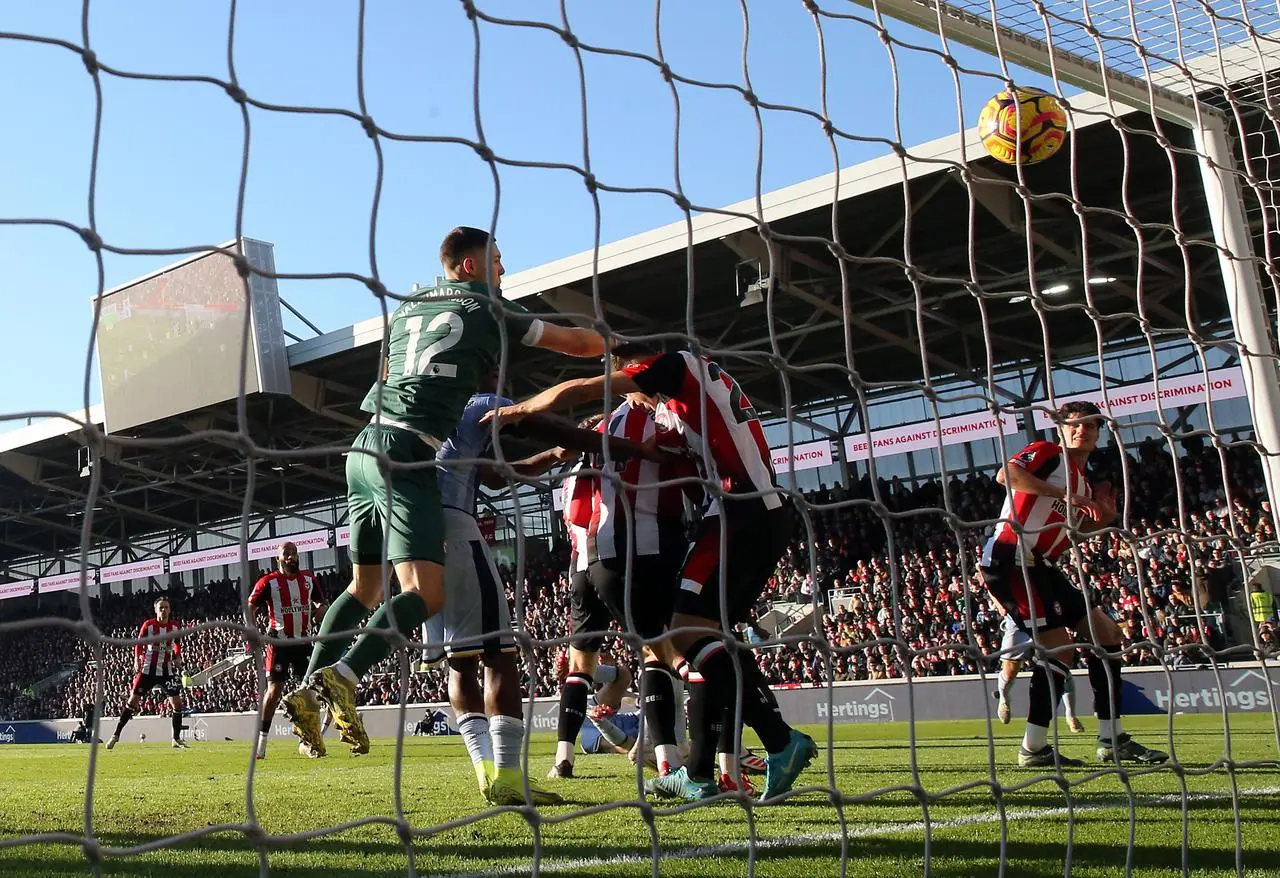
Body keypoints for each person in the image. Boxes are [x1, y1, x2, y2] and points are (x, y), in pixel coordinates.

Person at [283, 226, 609, 759]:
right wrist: (624, 350)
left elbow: (388, 377)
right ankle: (344, 676)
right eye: (498, 261)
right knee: (425, 592)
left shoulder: (409, 307)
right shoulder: (486, 308)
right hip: (407, 454)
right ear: (470, 266)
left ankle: (311, 691)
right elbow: (574, 344)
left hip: (362, 449)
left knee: (364, 588)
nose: (503, 270)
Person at [483, 343, 817, 802]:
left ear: (637, 370)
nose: (631, 398)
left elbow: (583, 388)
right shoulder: (680, 413)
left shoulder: (675, 366)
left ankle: (766, 745)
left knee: (683, 638)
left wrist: (521, 409)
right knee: (708, 638)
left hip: (738, 511)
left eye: (630, 386)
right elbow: (649, 452)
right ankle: (713, 768)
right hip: (745, 513)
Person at [425, 377, 656, 805]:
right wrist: (625, 446)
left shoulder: (411, 410)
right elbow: (552, 425)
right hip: (453, 527)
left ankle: (488, 772)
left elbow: (497, 477)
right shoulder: (477, 400)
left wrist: (552, 456)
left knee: (459, 661)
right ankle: (510, 776)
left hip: (408, 539)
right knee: (499, 654)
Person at [980, 400, 1168, 768]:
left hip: (1042, 564)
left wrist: (1107, 518)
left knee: (1108, 635)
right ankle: (1033, 749)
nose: (1082, 430)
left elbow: (1071, 536)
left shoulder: (1083, 482)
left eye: (1090, 426)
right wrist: (1071, 497)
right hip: (1010, 557)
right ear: (1062, 429)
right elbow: (1006, 475)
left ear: (1099, 434)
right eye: (1075, 424)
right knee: (1060, 649)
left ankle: (1112, 739)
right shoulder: (1048, 453)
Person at [548, 392, 700, 782]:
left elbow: (577, 514)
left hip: (583, 562)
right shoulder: (645, 426)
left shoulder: (575, 472)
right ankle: (672, 751)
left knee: (582, 665)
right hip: (641, 549)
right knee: (663, 650)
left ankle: (563, 758)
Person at [248, 541, 327, 759]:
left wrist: (321, 610)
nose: (292, 557)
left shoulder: (309, 580)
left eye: (294, 553)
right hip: (279, 644)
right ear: (278, 559)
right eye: (287, 553)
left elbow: (321, 603)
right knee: (273, 692)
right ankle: (262, 741)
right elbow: (250, 606)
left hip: (304, 644)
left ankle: (308, 742)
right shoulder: (268, 582)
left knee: (312, 693)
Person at [107, 595, 188, 750]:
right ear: (156, 610)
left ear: (170, 610)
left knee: (177, 703)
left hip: (166, 671)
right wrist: (137, 659)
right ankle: (115, 735)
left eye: (166, 607)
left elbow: (177, 644)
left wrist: (177, 656)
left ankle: (176, 739)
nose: (164, 610)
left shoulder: (175, 627)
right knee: (132, 702)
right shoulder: (149, 625)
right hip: (147, 670)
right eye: (161, 608)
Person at [992, 611, 1084, 734]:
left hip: (1047, 619)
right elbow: (993, 591)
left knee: (1061, 666)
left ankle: (1071, 715)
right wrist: (1000, 605)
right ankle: (1004, 699)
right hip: (1018, 621)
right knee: (1009, 672)